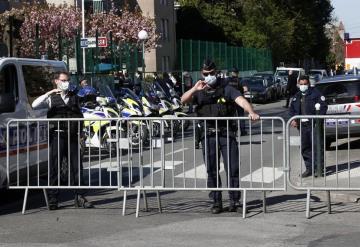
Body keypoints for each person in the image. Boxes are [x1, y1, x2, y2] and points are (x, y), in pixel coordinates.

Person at [181, 59, 259, 214]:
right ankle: (216, 202)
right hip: (208, 135)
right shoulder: (199, 89)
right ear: (201, 73)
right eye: (205, 74)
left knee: (232, 168)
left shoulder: (226, 88)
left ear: (216, 72)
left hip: (226, 133)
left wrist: (251, 112)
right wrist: (195, 89)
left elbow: (241, 100)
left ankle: (234, 201)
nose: (209, 76)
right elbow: (183, 100)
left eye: (211, 73)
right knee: (211, 170)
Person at [32, 71, 93, 210]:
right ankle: (53, 198)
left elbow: (79, 115)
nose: (66, 83)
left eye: (67, 80)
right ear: (56, 81)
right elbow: (34, 105)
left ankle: (80, 197)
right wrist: (49, 92)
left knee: (76, 167)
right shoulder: (51, 98)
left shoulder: (74, 97)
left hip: (72, 136)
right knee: (55, 167)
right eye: (63, 80)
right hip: (57, 136)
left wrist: (81, 133)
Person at [289, 75, 327, 178]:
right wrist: (293, 119)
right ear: (298, 84)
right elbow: (292, 109)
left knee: (317, 146)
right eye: (301, 84)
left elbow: (323, 107)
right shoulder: (296, 96)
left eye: (305, 84)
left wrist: (317, 120)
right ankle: (309, 168)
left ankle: (319, 168)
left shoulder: (316, 93)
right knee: (305, 148)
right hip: (302, 126)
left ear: (309, 84)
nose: (303, 86)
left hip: (314, 125)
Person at [226, 67, 248, 136]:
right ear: (238, 73)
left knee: (232, 116)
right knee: (241, 116)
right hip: (239, 100)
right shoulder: (241, 80)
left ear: (232, 73)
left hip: (231, 101)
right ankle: (243, 131)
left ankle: (233, 131)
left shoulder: (228, 80)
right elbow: (245, 89)